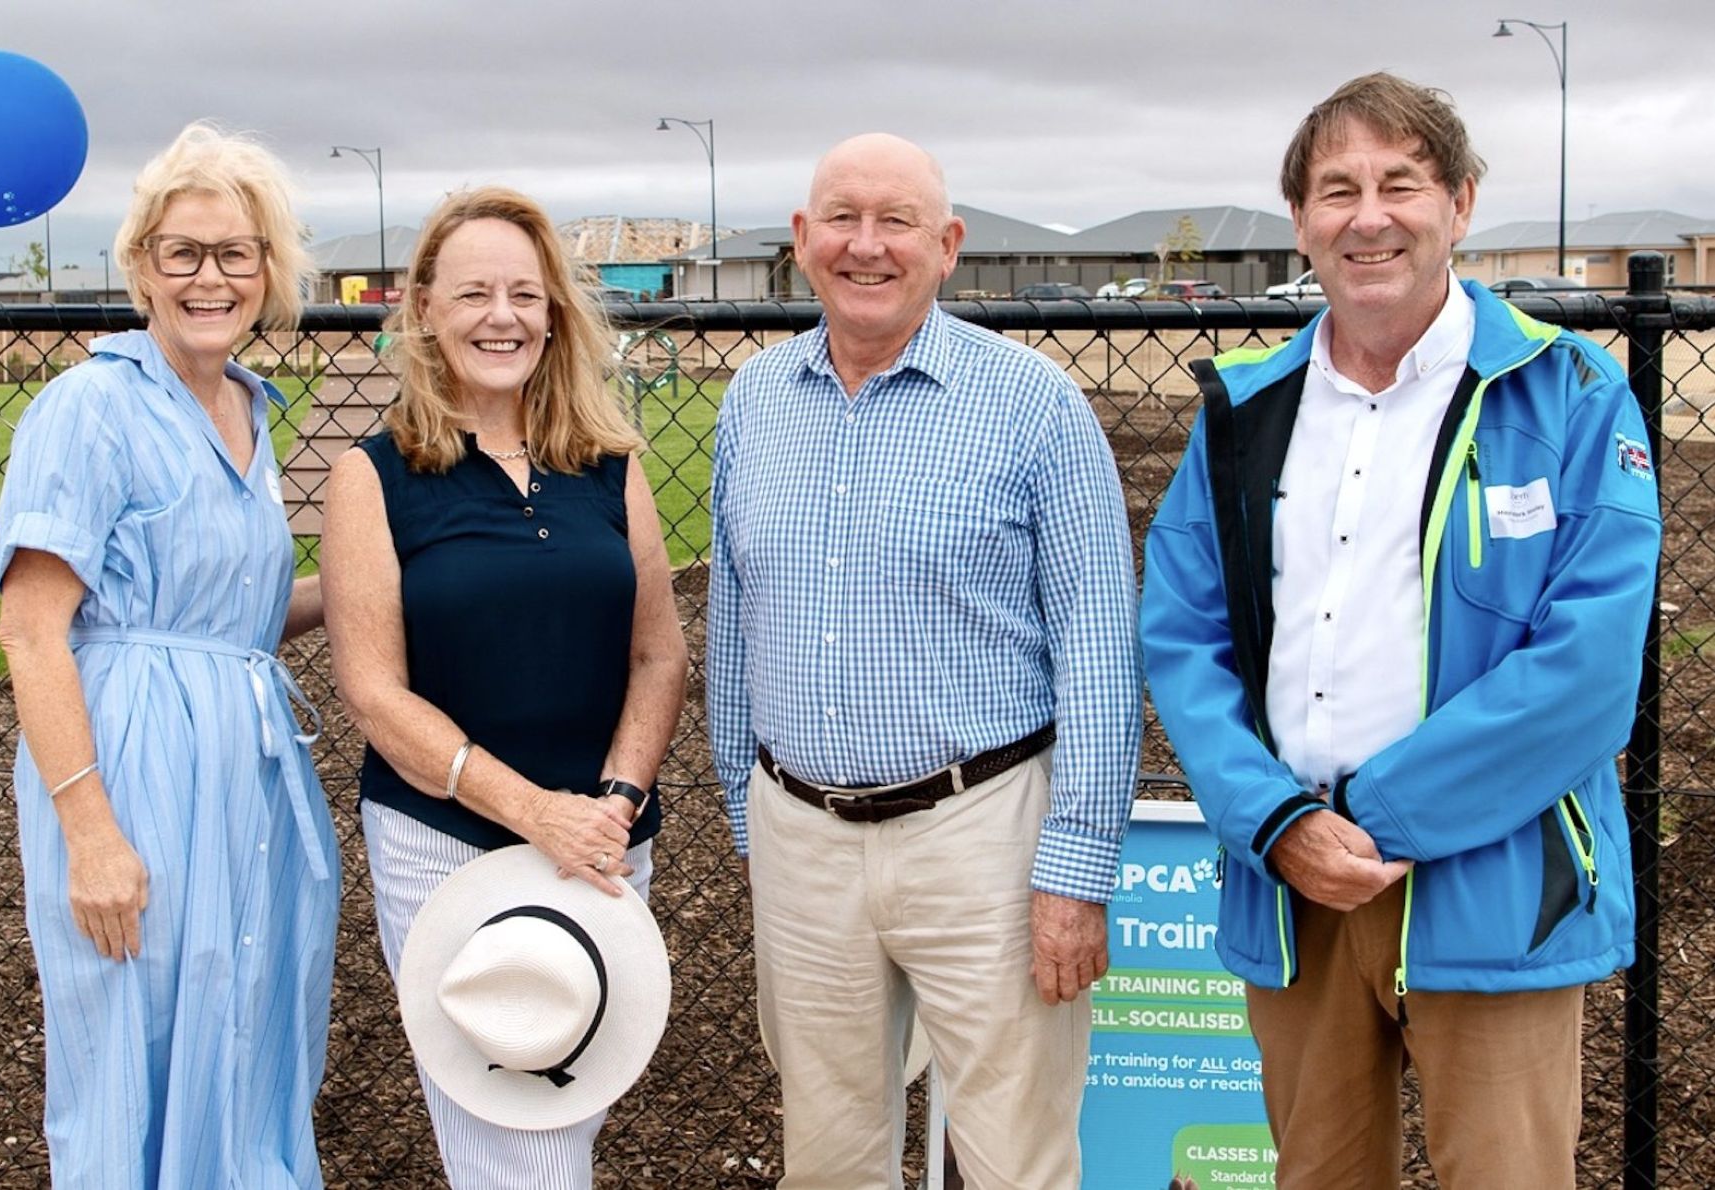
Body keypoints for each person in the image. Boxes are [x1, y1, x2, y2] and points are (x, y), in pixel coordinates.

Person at [1140, 73, 1661, 1188]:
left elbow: (1591, 665)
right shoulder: (1245, 411)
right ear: (1301, 222)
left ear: (1461, 203)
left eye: (1400, 183)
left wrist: (1367, 816)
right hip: (1295, 893)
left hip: (1495, 887)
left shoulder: (1568, 394)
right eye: (1337, 190)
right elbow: (1183, 638)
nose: (1367, 216)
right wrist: (1278, 821)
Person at [708, 133, 1143, 1188]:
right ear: (801, 243)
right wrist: (746, 813)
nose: (868, 245)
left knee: (1013, 1154)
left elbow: (1097, 651)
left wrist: (1075, 868)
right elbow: (731, 619)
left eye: (896, 220)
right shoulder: (754, 404)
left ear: (947, 246)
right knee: (829, 1152)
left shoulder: (1032, 407)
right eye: (842, 219)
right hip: (801, 831)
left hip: (983, 836)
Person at [0, 122, 337, 1187]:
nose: (209, 276)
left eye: (235, 253)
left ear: (267, 270)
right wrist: (90, 832)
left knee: (242, 1021)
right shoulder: (92, 404)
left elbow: (228, 614)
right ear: (140, 264)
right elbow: (31, 626)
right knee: (134, 1038)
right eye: (182, 252)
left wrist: (381, 592)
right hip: (131, 763)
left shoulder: (246, 405)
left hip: (246, 764)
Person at [320, 185, 686, 1188]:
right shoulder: (376, 475)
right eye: (474, 291)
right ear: (425, 309)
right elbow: (376, 694)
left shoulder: (608, 465)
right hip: (446, 843)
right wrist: (536, 814)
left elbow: (659, 655)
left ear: (556, 313)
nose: (502, 316)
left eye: (526, 293)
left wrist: (612, 801)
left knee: (568, 1101)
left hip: (605, 842)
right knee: (506, 1131)